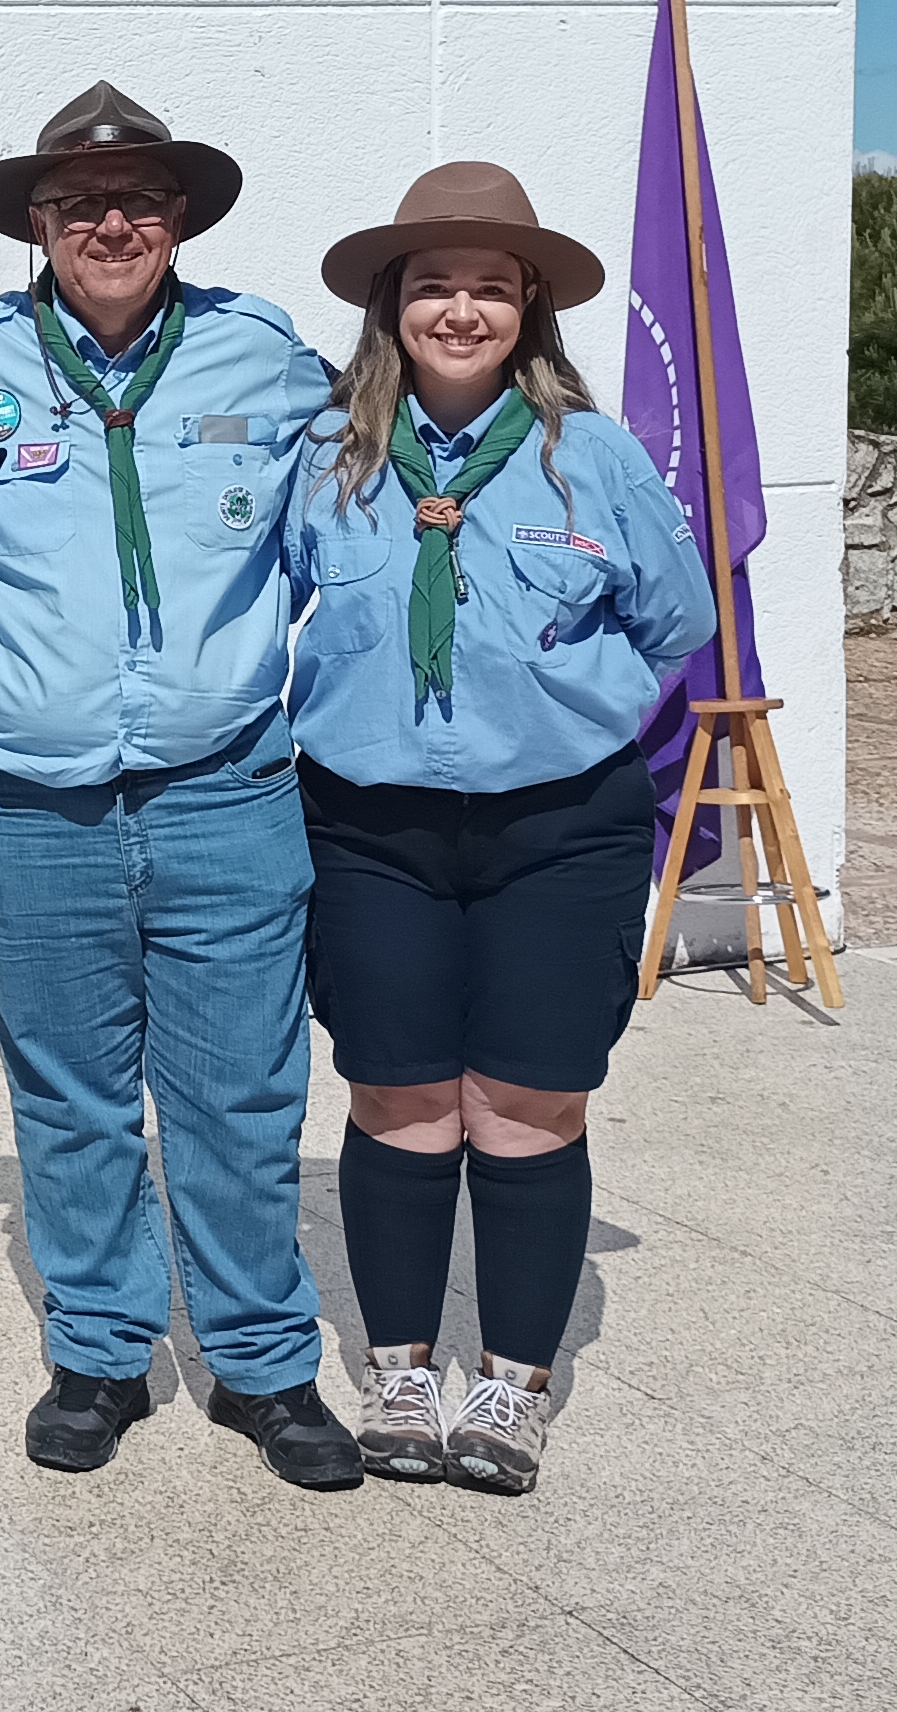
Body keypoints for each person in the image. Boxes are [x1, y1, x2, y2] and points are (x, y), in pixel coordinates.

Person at [0, 82, 365, 1492]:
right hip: (25, 799)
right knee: (69, 1096)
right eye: (80, 206)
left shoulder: (262, 359)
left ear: (178, 218)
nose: (111, 224)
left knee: (242, 1093)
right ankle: (103, 1352)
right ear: (41, 227)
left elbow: (347, 515)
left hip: (228, 789)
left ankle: (261, 1363)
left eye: (138, 201)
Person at [284, 164, 715, 1494]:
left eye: (488, 285)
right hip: (371, 825)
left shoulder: (593, 457)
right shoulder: (328, 455)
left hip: (558, 827)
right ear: (390, 305)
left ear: (530, 307)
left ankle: (514, 1385)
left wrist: (560, 704)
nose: (459, 308)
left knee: (527, 1105)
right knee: (403, 1098)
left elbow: (678, 623)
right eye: (432, 285)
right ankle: (404, 1373)